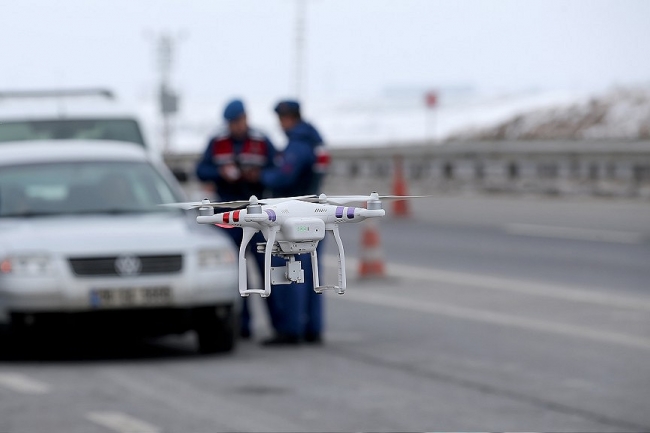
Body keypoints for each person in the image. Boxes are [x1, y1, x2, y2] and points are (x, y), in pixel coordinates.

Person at [196, 99, 278, 339]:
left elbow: (277, 171)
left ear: (246, 118)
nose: (236, 126)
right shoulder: (217, 143)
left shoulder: (261, 142)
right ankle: (242, 327)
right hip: (229, 217)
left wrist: (258, 176)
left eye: (239, 121)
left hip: (257, 214)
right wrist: (220, 174)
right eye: (232, 123)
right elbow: (201, 170)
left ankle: (278, 325)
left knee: (267, 272)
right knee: (236, 274)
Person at [259, 99, 330, 346]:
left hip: (298, 215)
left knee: (293, 273)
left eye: (281, 119)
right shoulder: (315, 140)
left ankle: (291, 330)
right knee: (312, 274)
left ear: (288, 118)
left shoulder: (298, 144)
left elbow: (283, 176)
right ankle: (313, 328)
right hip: (317, 212)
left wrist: (262, 175)